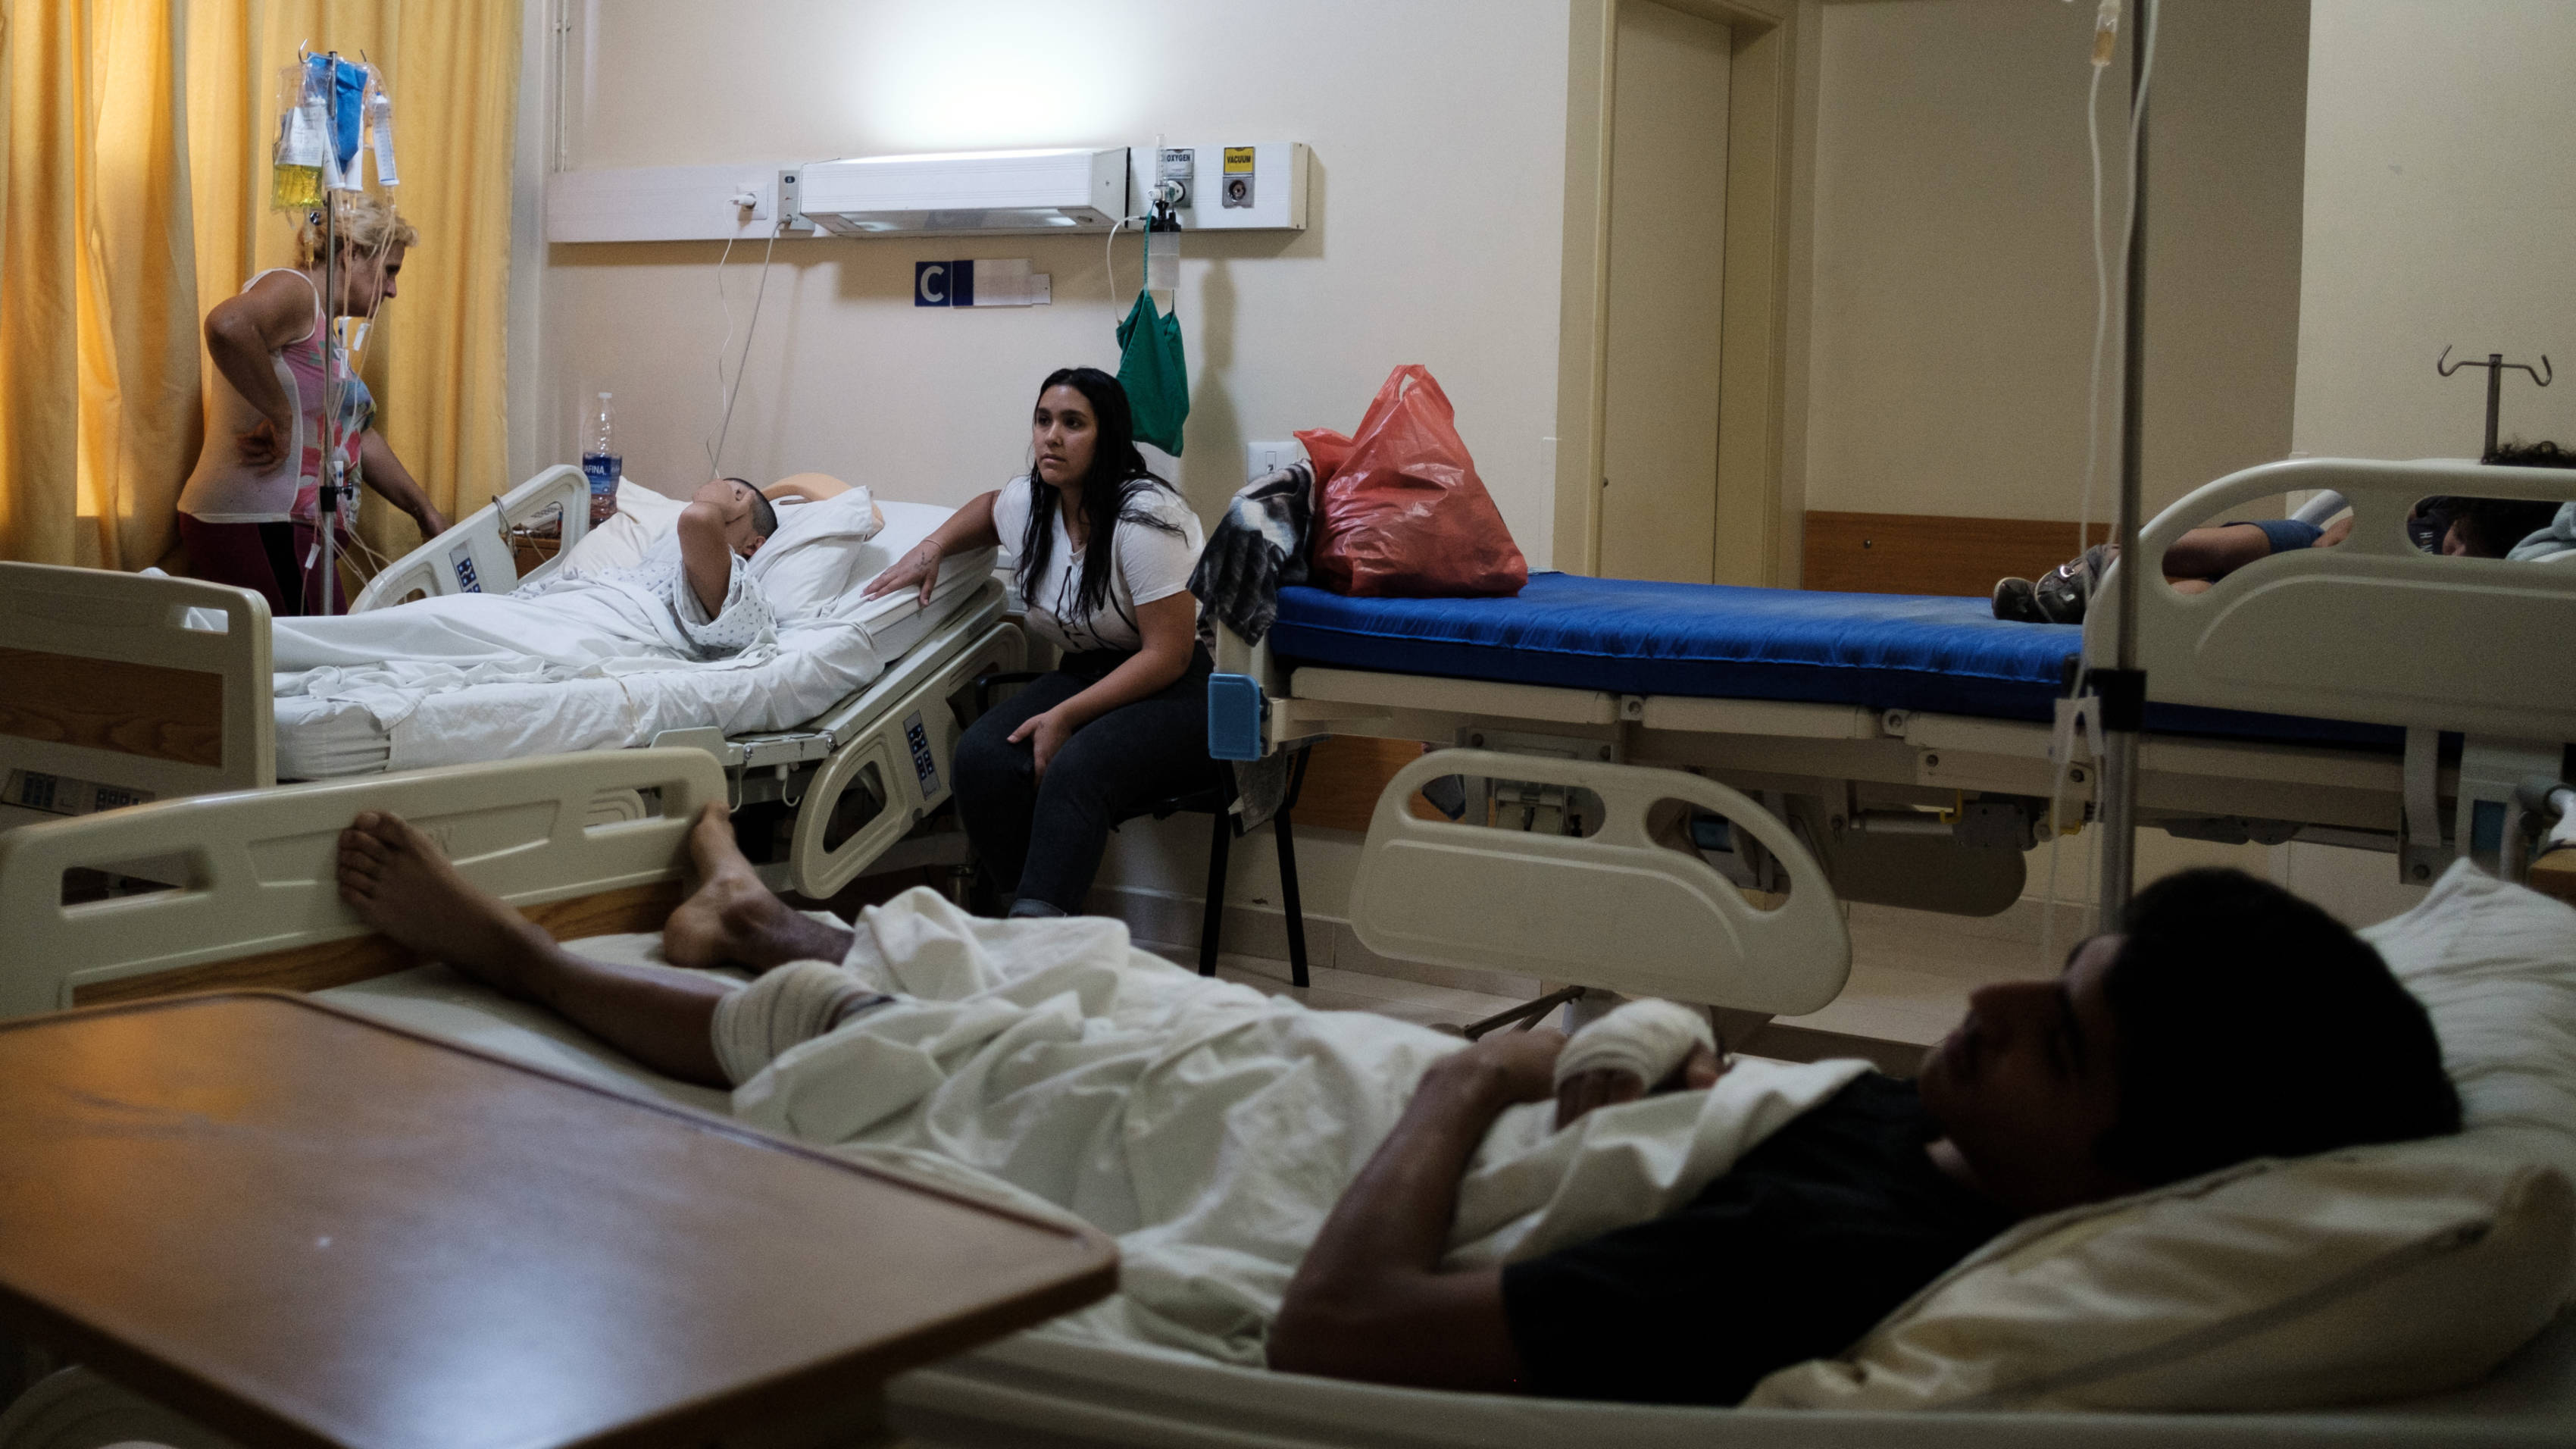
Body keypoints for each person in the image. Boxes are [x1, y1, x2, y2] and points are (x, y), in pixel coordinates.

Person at [330, 803, 2461, 1405]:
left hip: (1367, 1149)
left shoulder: (1838, 1259)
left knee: (959, 1056)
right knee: (1072, 964)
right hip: (1383, 1093)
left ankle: (516, 960)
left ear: (2132, 1158)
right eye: (2049, 978)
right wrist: (1651, 1065)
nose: (1984, 1009)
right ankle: (749, 905)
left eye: (2057, 1041)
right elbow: (1686, 1130)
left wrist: (1472, 1077)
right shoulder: (1954, 1144)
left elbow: (1340, 1331)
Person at [863, 367, 1211, 918]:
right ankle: (1022, 910)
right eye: (1043, 420)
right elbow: (987, 507)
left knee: (1077, 765)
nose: (1051, 436)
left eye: (1073, 424)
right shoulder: (1035, 501)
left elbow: (1169, 654)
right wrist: (931, 548)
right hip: (1087, 673)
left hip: (1179, 689)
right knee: (981, 756)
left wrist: (1066, 714)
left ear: (1110, 437)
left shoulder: (1149, 518)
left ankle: (1040, 930)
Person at [177, 192, 449, 615]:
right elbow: (227, 327)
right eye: (390, 271)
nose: (393, 290)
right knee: (323, 669)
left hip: (282, 531)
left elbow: (360, 433)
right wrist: (281, 417)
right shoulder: (296, 290)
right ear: (353, 253)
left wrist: (425, 512)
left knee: (313, 667)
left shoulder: (322, 326)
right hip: (260, 523)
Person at [1995, 440, 2575, 624]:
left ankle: (2115, 612)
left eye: (2463, 553)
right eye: (2452, 539)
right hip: (2323, 545)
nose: (2451, 548)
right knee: (2231, 546)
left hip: (2349, 591)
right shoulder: (2459, 504)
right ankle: (2099, 567)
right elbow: (2392, 510)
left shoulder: (2508, 574)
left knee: (2223, 595)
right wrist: (2361, 525)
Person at [270, 475, 780, 676]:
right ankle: (261, 648)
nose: (714, 492)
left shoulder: (741, 592)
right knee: (430, 621)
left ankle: (261, 648)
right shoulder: (668, 557)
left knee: (430, 629)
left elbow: (695, 520)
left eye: (735, 496)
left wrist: (715, 498)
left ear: (753, 543)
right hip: (559, 611)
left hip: (593, 631)